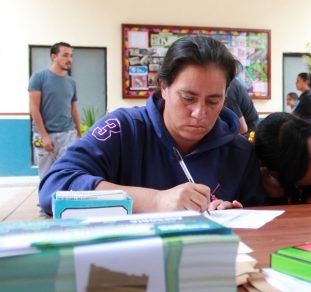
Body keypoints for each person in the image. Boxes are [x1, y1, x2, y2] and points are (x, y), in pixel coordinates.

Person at [39, 35, 266, 214]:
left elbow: (259, 217)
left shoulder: (239, 152)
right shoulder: (123, 129)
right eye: (188, 98)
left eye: (213, 101)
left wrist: (231, 212)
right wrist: (155, 200)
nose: (199, 113)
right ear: (164, 88)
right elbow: (54, 187)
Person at [28, 42, 82, 181]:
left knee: (66, 173)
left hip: (67, 134)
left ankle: (63, 202)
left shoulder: (71, 82)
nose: (69, 59)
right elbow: (34, 108)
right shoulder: (38, 77)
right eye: (65, 55)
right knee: (46, 175)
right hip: (45, 135)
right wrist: (44, 136)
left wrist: (79, 135)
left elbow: (73, 109)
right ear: (54, 56)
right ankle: (45, 202)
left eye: (71, 55)